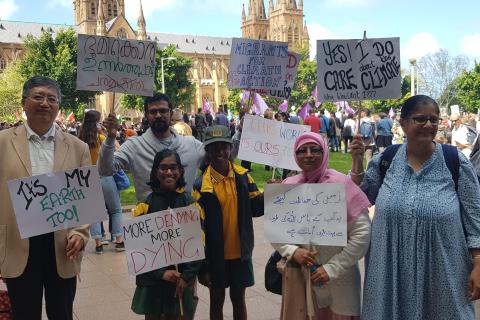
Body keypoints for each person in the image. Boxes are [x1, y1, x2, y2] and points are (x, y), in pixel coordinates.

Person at [350, 95, 480, 320]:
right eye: (420, 119)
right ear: (403, 123)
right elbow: (360, 197)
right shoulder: (385, 160)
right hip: (389, 266)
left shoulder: (454, 162)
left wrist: (478, 263)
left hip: (442, 268)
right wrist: (356, 162)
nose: (428, 125)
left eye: (434, 119)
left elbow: (474, 217)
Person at [0, 76, 89, 319]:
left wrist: (80, 233)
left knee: (62, 313)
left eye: (52, 99)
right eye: (38, 97)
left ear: (58, 106)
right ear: (24, 102)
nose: (45, 103)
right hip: (18, 245)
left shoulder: (78, 148)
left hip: (62, 246)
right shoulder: (3, 143)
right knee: (24, 313)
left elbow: (84, 200)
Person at [271, 132, 371, 319]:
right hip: (302, 283)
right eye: (302, 150)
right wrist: (292, 251)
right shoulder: (289, 185)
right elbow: (277, 231)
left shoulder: (342, 184)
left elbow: (362, 233)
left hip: (340, 284)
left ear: (324, 152)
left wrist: (332, 268)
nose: (308, 154)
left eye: (315, 149)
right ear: (295, 155)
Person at [193, 125, 264, 320]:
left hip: (240, 252)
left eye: (224, 146)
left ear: (231, 148)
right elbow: (196, 229)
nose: (220, 152)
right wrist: (203, 266)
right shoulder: (201, 187)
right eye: (214, 147)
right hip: (215, 257)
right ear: (207, 151)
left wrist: (272, 194)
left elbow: (256, 208)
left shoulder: (243, 177)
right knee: (217, 300)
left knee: (238, 299)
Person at [131, 149, 202, 320]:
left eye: (173, 167)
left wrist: (186, 277)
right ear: (156, 172)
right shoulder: (144, 207)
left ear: (181, 171)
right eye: (163, 168)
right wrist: (161, 273)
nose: (169, 172)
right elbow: (140, 250)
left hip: (182, 280)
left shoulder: (191, 206)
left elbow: (199, 244)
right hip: (153, 281)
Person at [98, 92, 205, 202]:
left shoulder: (192, 145)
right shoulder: (134, 146)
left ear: (171, 113)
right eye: (153, 112)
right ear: (146, 115)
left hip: (186, 217)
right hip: (150, 217)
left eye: (163, 111)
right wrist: (110, 137)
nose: (158, 115)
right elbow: (105, 170)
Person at [78, 110, 125, 254]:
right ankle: (119, 241)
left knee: (94, 213)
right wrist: (108, 133)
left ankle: (98, 244)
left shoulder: (79, 140)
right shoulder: (102, 138)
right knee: (116, 210)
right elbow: (117, 148)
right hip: (105, 177)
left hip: (88, 179)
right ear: (97, 122)